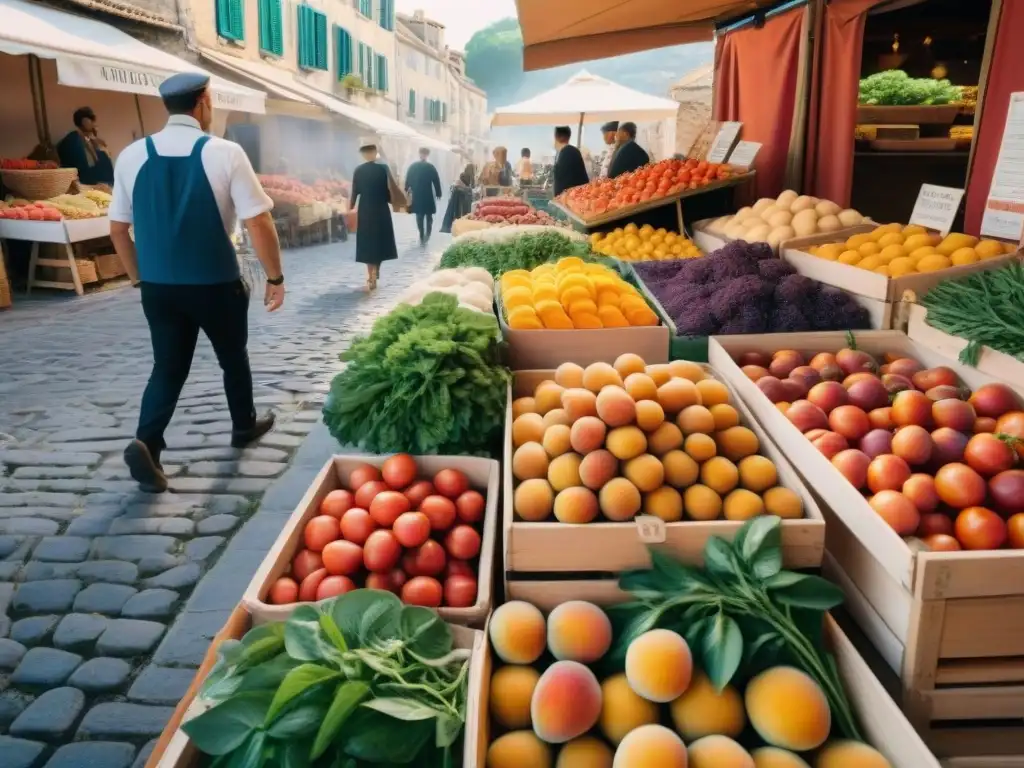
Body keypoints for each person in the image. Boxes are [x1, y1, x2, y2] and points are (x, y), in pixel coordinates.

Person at [107, 73, 283, 493]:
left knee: (167, 367)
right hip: (214, 281)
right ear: (204, 101)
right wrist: (274, 276)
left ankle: (147, 442)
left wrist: (138, 279)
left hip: (159, 287)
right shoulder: (225, 152)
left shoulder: (132, 155)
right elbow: (258, 220)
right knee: (232, 355)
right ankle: (243, 426)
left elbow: (117, 229)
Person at [349, 137, 399, 290]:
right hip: (381, 208)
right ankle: (376, 270)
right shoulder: (383, 169)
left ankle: (370, 274)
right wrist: (394, 201)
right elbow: (391, 188)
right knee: (380, 241)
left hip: (366, 209)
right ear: (375, 153)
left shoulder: (358, 170)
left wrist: (351, 206)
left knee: (367, 242)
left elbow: (355, 191)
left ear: (364, 155)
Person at [57, 107, 114, 186]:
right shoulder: (73, 139)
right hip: (84, 183)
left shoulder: (90, 140)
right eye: (92, 119)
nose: (94, 122)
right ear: (84, 121)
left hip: (99, 183)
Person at [404, 147, 442, 244]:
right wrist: (407, 187)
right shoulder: (428, 167)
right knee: (421, 215)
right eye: (422, 153)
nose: (423, 155)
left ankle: (426, 234)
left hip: (423, 193)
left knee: (426, 215)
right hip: (422, 193)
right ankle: (422, 233)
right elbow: (408, 178)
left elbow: (435, 180)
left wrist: (438, 192)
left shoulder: (416, 166)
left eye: (424, 154)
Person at [552, 126, 589, 196]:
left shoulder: (567, 152)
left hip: (572, 199)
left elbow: (564, 183)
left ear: (556, 136)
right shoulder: (571, 151)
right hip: (575, 198)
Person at [441, 162, 475, 233]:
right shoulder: (468, 177)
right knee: (464, 213)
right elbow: (467, 187)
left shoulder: (464, 175)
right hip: (464, 198)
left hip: (461, 198)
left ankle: (458, 226)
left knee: (459, 213)